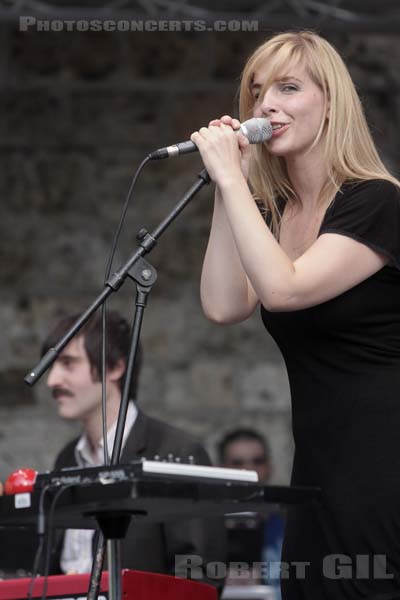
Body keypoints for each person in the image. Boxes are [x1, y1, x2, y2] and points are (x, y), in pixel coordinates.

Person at [191, 30, 400, 599]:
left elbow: (284, 290)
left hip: (384, 463)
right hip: (317, 468)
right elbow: (224, 304)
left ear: (331, 102)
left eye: (288, 87)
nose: (266, 106)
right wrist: (224, 185)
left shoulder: (378, 201)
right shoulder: (274, 210)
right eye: (257, 92)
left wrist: (235, 180)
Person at [41, 310, 225, 593]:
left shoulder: (175, 450)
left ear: (115, 367)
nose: (52, 379)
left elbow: (200, 576)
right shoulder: (68, 457)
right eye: (52, 364)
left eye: (68, 363)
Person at [218, 429, 284, 598]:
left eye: (258, 461)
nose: (249, 470)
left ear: (270, 467)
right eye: (237, 463)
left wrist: (264, 578)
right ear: (219, 468)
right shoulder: (200, 527)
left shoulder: (290, 530)